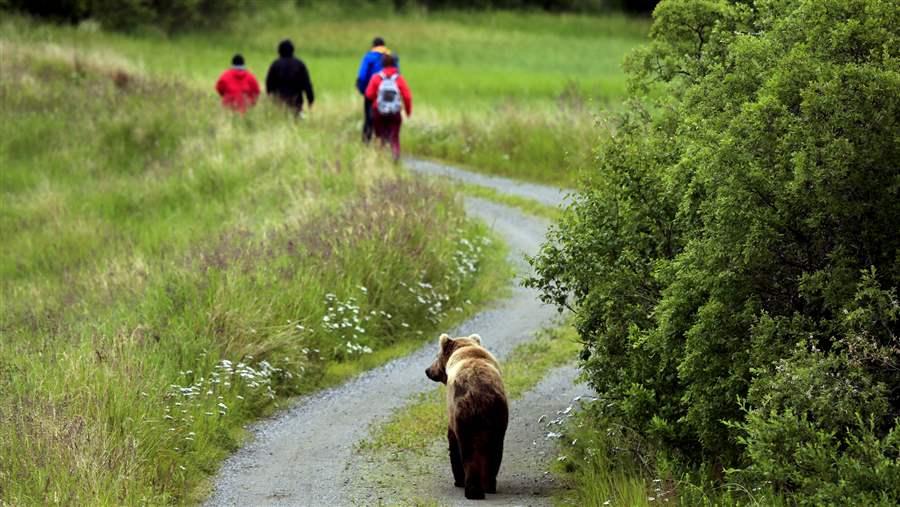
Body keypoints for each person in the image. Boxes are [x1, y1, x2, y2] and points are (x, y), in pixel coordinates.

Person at [365, 54, 412, 162]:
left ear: (382, 64)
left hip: (378, 112)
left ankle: (380, 159)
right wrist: (408, 111)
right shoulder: (399, 79)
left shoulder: (376, 77)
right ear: (394, 64)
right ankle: (395, 155)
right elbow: (407, 97)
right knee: (394, 137)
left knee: (380, 136)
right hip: (395, 113)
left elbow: (368, 94)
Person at [356, 37, 398, 143]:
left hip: (372, 92)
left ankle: (366, 142)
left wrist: (363, 91)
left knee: (369, 119)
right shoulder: (392, 57)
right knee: (388, 117)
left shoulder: (369, 57)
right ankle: (386, 142)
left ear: (373, 46)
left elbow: (362, 76)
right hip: (389, 93)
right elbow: (397, 75)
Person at [265, 39, 315, 115]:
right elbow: (307, 84)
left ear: (279, 51)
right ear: (293, 50)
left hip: (279, 101)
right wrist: (310, 99)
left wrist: (271, 97)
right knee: (295, 122)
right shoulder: (300, 64)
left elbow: (269, 84)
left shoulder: (275, 65)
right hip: (296, 101)